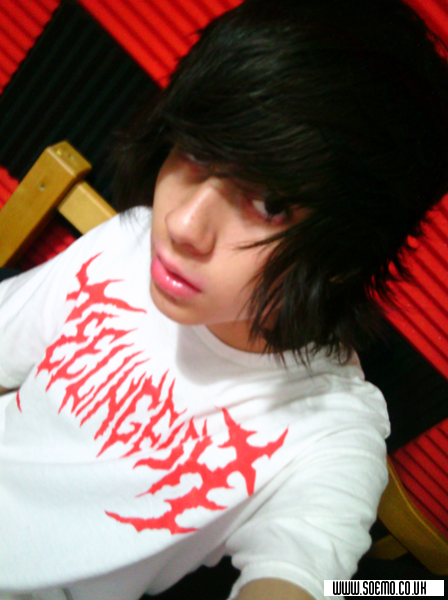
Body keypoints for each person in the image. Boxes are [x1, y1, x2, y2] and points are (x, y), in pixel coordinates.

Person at [1, 0, 448, 599]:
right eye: (195, 150)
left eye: (270, 204)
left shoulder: (328, 433)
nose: (182, 224)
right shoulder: (128, 241)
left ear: (349, 253)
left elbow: (300, 577)